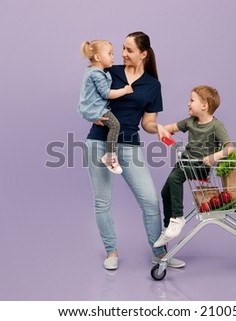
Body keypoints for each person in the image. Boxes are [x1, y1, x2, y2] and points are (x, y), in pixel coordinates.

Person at [83, 31, 185, 270]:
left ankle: (159, 253)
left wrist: (159, 127)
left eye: (129, 50)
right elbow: (88, 97)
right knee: (102, 202)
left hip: (129, 145)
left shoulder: (152, 85)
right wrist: (92, 114)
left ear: (143, 54)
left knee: (150, 201)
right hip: (98, 142)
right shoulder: (109, 71)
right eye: (122, 48)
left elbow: (147, 123)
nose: (123, 54)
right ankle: (111, 251)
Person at [154, 85, 235, 247]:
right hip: (185, 162)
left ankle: (177, 218)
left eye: (192, 100)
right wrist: (162, 130)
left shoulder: (215, 126)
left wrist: (214, 157)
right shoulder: (190, 122)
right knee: (165, 191)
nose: (188, 104)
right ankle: (168, 226)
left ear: (204, 106)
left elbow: (230, 147)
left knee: (175, 178)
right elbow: (169, 128)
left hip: (200, 167)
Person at [78, 39, 134, 174]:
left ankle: (110, 155)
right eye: (110, 54)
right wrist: (125, 90)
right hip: (96, 108)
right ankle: (110, 156)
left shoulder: (92, 71)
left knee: (113, 125)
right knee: (115, 125)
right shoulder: (97, 74)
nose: (114, 57)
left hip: (91, 107)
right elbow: (106, 93)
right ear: (97, 57)